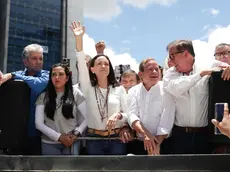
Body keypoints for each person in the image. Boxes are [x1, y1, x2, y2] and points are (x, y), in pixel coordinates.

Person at [70, 21, 128, 155]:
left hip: (116, 139)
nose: (103, 66)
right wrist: (79, 39)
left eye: (106, 64)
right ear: (92, 68)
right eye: (99, 63)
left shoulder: (119, 89)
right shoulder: (87, 88)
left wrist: (118, 115)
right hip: (94, 139)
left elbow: (127, 114)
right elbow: (80, 60)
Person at [163, 40, 230, 154]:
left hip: (204, 135)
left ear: (185, 54)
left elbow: (225, 67)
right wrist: (200, 75)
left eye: (172, 56)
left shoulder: (208, 65)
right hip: (180, 135)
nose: (170, 61)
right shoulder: (170, 73)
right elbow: (176, 88)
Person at [0, 44, 49, 155]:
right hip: (14, 135)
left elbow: (38, 85)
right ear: (25, 61)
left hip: (38, 135)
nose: (38, 61)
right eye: (34, 58)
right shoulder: (15, 76)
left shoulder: (47, 76)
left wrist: (11, 75)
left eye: (40, 58)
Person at [35, 63, 87, 155]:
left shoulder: (76, 94)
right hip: (49, 144)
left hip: (71, 143)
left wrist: (76, 133)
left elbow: (88, 117)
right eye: (54, 74)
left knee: (70, 169)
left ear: (67, 78)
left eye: (61, 74)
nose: (57, 77)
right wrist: (59, 137)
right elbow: (38, 124)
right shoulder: (43, 96)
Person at [127, 58, 175, 155]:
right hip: (140, 143)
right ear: (140, 74)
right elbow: (132, 116)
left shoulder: (167, 90)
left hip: (163, 143)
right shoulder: (133, 91)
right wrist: (146, 135)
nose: (154, 72)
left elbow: (167, 119)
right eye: (150, 69)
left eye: (156, 69)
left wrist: (156, 145)